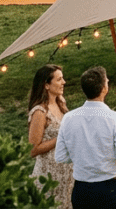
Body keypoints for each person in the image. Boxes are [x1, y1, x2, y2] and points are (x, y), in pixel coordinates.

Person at [55, 66, 116, 209]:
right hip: (109, 187)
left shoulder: (69, 118)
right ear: (104, 88)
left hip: (82, 189)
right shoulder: (115, 118)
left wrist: (82, 157)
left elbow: (60, 156)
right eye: (107, 81)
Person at [28, 64, 74, 208]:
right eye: (59, 79)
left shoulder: (61, 104)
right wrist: (60, 138)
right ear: (46, 85)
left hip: (66, 176)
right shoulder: (40, 112)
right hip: (48, 176)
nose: (64, 82)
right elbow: (33, 149)